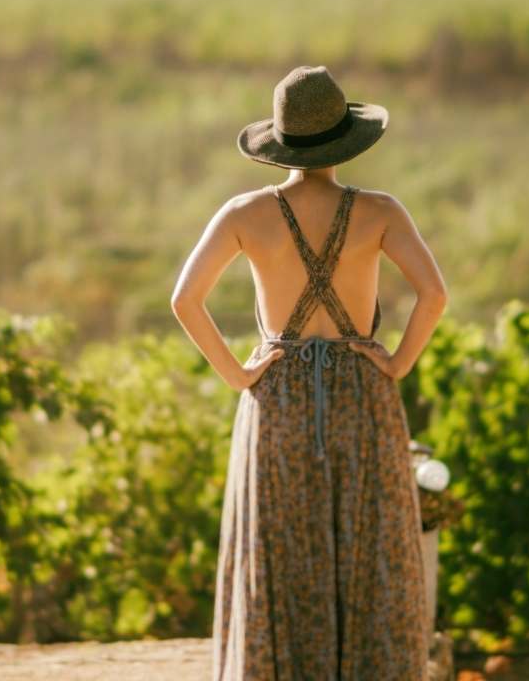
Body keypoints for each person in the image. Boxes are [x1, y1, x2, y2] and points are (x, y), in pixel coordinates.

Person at [169, 65, 448, 680]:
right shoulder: (380, 211)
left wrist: (239, 376)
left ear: (281, 141)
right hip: (361, 389)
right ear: (346, 137)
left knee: (278, 547)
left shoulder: (245, 212)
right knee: (370, 546)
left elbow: (185, 300)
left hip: (279, 396)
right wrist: (397, 361)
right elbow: (434, 294)